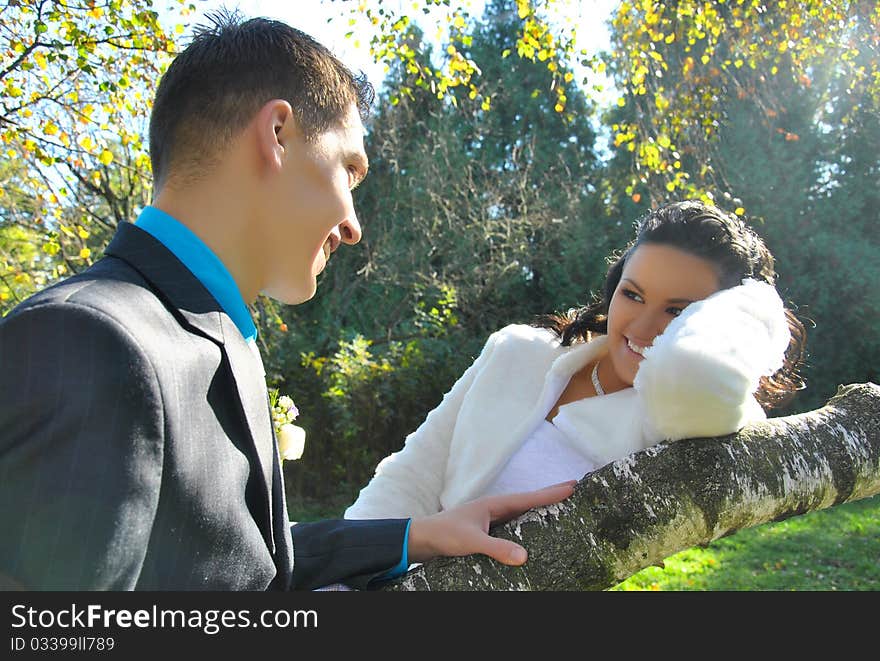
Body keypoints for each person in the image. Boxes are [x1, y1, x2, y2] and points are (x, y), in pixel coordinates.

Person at [0, 12, 575, 591]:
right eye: (349, 172)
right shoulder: (88, 340)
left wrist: (415, 536)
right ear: (277, 133)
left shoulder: (209, 338)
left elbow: (237, 563)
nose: (353, 226)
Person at [345, 201, 807, 520]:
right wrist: (345, 568)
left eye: (677, 311)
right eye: (633, 295)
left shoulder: (679, 427)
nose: (641, 328)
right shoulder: (518, 350)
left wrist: (752, 307)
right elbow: (411, 474)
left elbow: (711, 384)